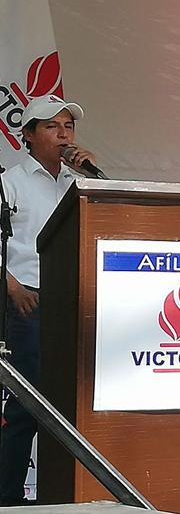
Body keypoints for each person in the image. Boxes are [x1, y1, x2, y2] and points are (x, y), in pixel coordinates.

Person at [1, 94, 96, 506]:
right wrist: (12, 288)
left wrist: (92, 176)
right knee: (30, 406)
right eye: (53, 127)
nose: (63, 134)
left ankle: (62, 494)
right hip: (29, 304)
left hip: (74, 305)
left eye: (68, 127)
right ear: (29, 136)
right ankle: (8, 496)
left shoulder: (78, 183)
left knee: (71, 406)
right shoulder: (10, 182)